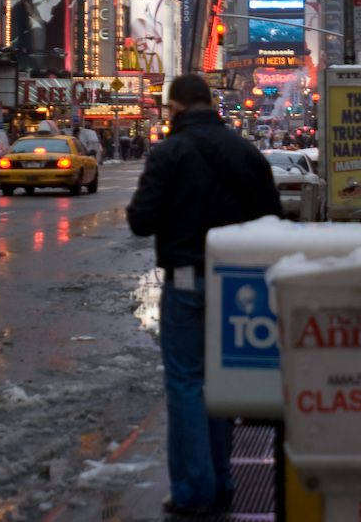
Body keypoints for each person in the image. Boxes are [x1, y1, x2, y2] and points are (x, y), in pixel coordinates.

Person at [126, 74, 280, 516]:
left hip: (187, 279)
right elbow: (271, 216)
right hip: (239, 285)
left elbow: (141, 221)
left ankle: (195, 489)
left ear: (175, 107)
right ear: (210, 103)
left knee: (186, 383)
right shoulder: (246, 151)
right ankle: (223, 478)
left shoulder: (168, 153)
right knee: (223, 382)